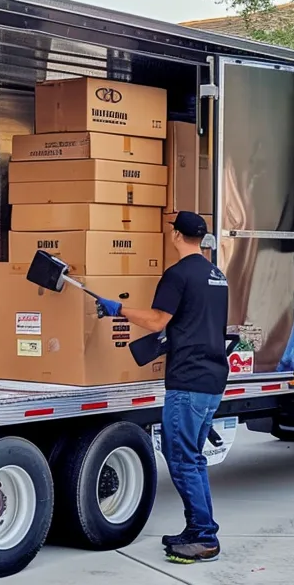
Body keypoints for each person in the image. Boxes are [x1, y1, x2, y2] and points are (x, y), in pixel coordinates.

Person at [97, 211, 230, 564]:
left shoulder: (177, 275)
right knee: (193, 457)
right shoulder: (217, 275)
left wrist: (119, 309)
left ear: (175, 235)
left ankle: (204, 536)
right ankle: (197, 528)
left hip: (187, 380)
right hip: (213, 377)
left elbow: (158, 320)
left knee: (182, 458)